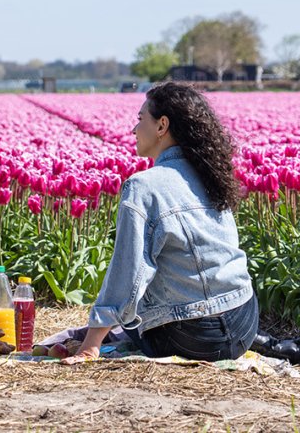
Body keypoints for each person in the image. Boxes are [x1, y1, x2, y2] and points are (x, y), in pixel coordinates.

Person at [63, 81, 261, 363]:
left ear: (161, 126)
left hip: (193, 337)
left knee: (133, 317)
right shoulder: (211, 175)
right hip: (244, 322)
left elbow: (129, 271)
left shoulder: (144, 186)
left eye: (140, 119)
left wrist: (91, 343)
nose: (133, 130)